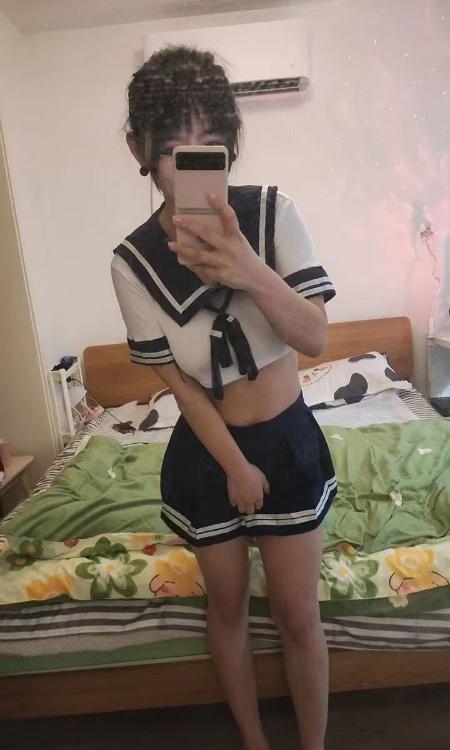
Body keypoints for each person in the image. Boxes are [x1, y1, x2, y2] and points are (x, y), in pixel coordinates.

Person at [112, 44, 337, 750]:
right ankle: (254, 742)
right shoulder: (133, 264)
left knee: (299, 615)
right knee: (229, 608)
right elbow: (179, 385)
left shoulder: (272, 214)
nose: (195, 167)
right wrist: (236, 466)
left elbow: (314, 337)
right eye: (174, 151)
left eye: (212, 147)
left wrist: (249, 269)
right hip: (209, 454)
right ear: (140, 151)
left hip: (288, 439)